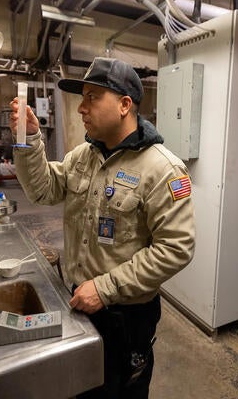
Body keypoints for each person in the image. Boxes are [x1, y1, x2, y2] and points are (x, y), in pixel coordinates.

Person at [10, 57, 195, 398]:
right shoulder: (84, 155)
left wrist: (105, 288)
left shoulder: (163, 170)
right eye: (82, 97)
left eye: (92, 96)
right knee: (83, 389)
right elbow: (44, 189)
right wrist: (30, 138)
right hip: (78, 301)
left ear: (125, 104)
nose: (81, 107)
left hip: (124, 318)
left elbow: (176, 249)